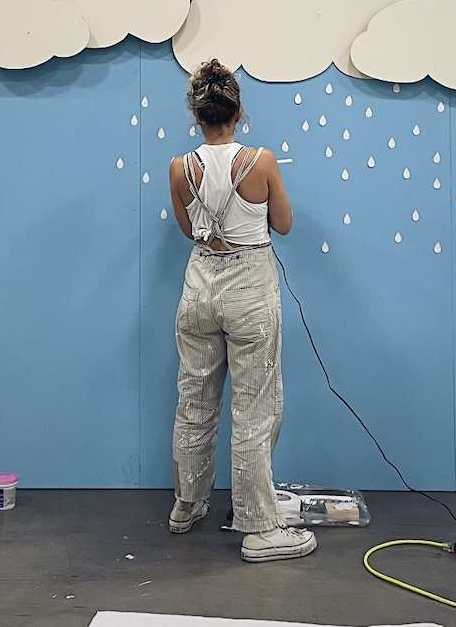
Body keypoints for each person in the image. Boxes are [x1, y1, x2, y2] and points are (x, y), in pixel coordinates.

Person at [166, 59, 315, 563]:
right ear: (237, 112)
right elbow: (284, 224)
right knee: (254, 410)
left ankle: (187, 505)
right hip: (250, 289)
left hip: (199, 286)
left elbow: (188, 230)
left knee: (194, 400)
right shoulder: (261, 161)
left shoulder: (180, 168)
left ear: (197, 115)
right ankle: (260, 527)